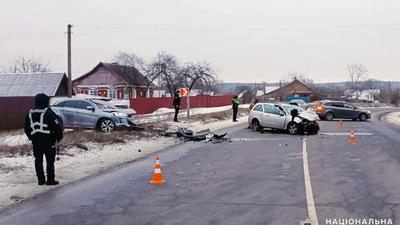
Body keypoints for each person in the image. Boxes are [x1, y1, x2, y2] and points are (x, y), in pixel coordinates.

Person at [24, 93, 63, 186]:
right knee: (50, 161)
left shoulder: (30, 113)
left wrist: (31, 137)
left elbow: (26, 128)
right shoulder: (49, 113)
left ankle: (41, 180)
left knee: (38, 160)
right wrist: (59, 138)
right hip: (49, 140)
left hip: (36, 141)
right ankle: (50, 180)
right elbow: (57, 126)